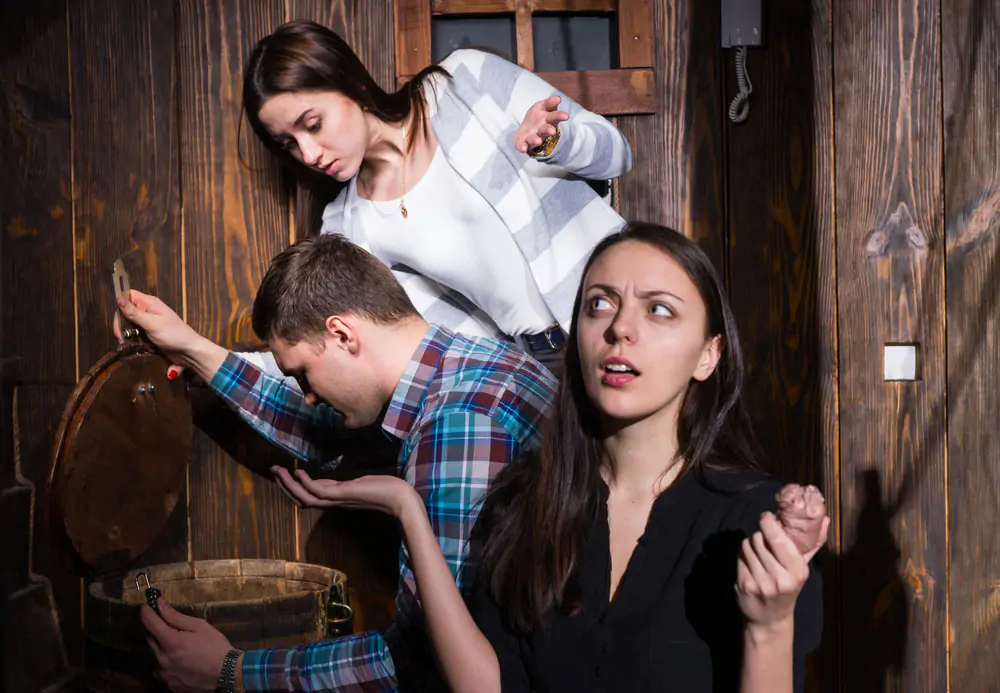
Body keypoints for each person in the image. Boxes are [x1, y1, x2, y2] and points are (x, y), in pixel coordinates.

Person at [275, 222, 828, 693]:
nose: (620, 328)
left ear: (709, 355)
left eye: (659, 310)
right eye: (599, 304)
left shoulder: (749, 521)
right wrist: (408, 510)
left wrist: (769, 624)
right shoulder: (527, 500)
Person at [117, 234, 558, 691]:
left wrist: (231, 670)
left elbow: (422, 658)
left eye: (303, 375)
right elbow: (317, 427)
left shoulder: (458, 425)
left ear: (343, 333)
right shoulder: (475, 365)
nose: (308, 395)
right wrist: (194, 350)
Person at [241, 19, 633, 376]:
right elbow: (341, 349)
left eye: (313, 124)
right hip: (541, 364)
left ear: (352, 85)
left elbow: (617, 154)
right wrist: (203, 356)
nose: (309, 154)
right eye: (289, 143)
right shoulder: (348, 225)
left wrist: (556, 142)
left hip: (623, 309)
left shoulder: (464, 79)